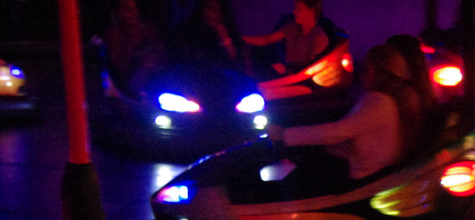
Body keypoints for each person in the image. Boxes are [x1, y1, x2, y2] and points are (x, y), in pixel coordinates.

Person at [266, 43, 422, 190]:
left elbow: (336, 132)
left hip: (365, 177)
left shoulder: (381, 103)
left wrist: (284, 134)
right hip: (370, 170)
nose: (362, 74)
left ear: (381, 74)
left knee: (296, 176)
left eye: (367, 69)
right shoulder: (389, 100)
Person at [242, 0, 329, 76]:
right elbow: (267, 39)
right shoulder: (292, 27)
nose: (294, 12)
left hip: (300, 82)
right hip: (286, 74)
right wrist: (241, 39)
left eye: (298, 9)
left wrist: (286, 70)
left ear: (311, 11)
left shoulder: (319, 38)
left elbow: (312, 72)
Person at [104, 0, 167, 95]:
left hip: (157, 85)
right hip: (127, 90)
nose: (133, 13)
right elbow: (120, 71)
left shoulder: (149, 29)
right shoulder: (113, 36)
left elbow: (164, 58)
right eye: (127, 9)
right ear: (118, 13)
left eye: (134, 8)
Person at [170, 0, 249, 71]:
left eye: (219, 10)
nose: (215, 13)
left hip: (225, 77)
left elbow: (237, 62)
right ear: (202, 9)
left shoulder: (228, 30)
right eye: (211, 8)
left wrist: (224, 37)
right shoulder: (188, 30)